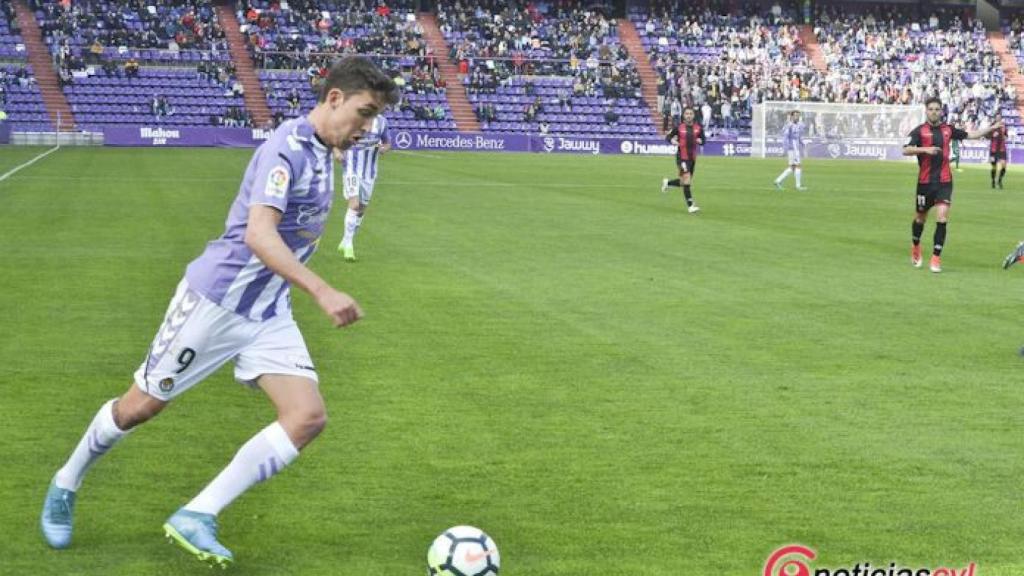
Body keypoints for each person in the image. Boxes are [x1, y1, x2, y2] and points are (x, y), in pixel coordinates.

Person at [40, 56, 398, 567]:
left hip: (267, 309)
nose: (366, 127)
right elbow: (258, 234)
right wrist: (322, 290)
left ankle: (197, 514)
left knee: (306, 416)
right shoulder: (286, 150)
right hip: (216, 301)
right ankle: (66, 481)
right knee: (139, 407)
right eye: (363, 113)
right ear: (334, 98)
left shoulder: (324, 148)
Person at [903, 97, 1001, 273]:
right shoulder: (919, 131)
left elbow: (970, 135)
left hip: (944, 182)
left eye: (937, 109)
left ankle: (935, 258)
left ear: (941, 111)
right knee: (920, 218)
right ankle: (916, 245)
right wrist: (925, 149)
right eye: (931, 109)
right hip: (925, 183)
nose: (934, 112)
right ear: (926, 111)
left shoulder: (948, 129)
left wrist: (991, 128)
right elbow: (905, 149)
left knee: (942, 218)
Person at [336, 114, 390, 261]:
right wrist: (338, 153)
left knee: (362, 208)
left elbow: (387, 143)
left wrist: (383, 149)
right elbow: (337, 141)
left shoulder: (381, 122)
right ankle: (349, 246)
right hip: (351, 170)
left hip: (369, 173)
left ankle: (346, 239)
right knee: (354, 205)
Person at [660, 106, 705, 214]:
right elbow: (668, 137)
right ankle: (690, 206)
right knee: (687, 179)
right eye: (687, 114)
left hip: (692, 158)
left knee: (682, 182)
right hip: (682, 157)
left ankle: (668, 183)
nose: (689, 115)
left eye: (690, 114)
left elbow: (704, 140)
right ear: (684, 116)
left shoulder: (698, 128)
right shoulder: (679, 127)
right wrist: (672, 141)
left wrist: (700, 140)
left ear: (693, 115)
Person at [774, 110, 805, 190]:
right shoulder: (789, 126)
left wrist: (802, 144)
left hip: (796, 148)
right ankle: (798, 186)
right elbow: (785, 138)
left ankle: (778, 181)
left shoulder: (799, 125)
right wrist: (784, 150)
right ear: (791, 117)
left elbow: (799, 137)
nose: (797, 117)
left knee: (792, 167)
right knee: (798, 166)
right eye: (795, 116)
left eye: (798, 116)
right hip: (792, 148)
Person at [989, 113, 1008, 189]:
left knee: (1004, 166)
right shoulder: (992, 126)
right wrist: (992, 135)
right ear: (995, 118)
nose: (998, 119)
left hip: (1002, 149)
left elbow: (1006, 136)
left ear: (1001, 118)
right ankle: (993, 180)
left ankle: (999, 180)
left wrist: (1004, 136)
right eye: (997, 117)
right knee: (994, 167)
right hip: (993, 149)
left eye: (999, 117)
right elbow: (987, 135)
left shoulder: (1004, 126)